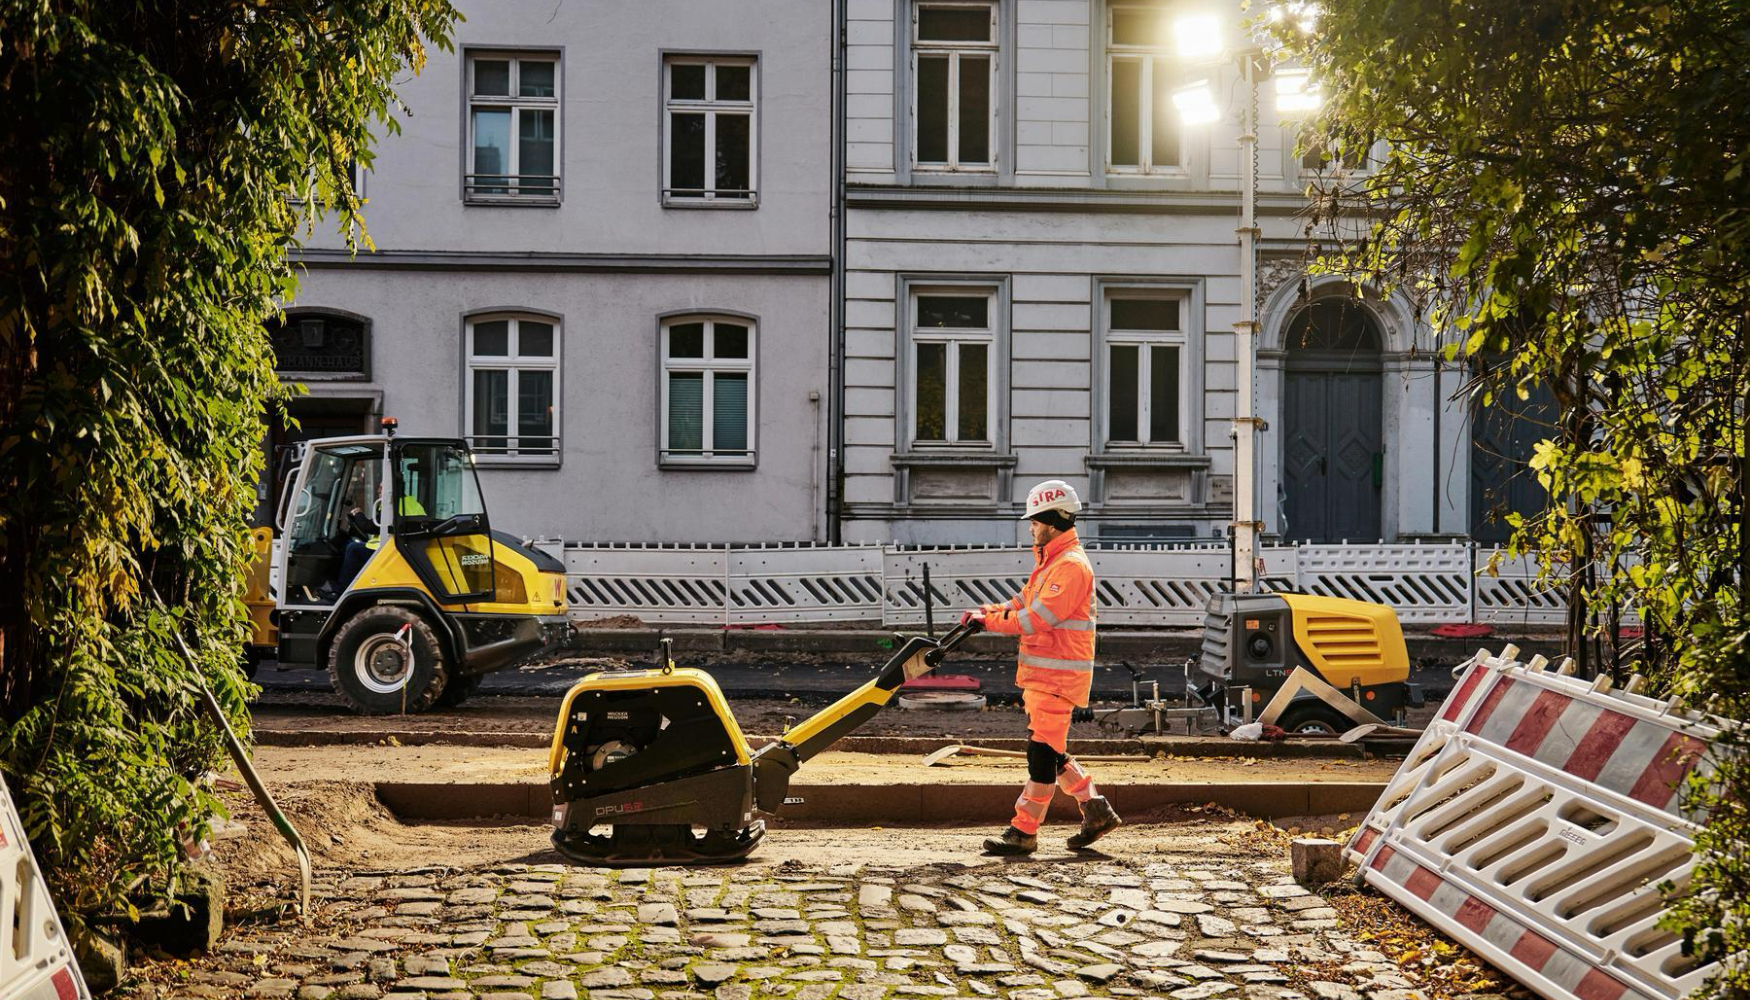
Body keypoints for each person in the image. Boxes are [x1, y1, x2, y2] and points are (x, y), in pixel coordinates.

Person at [961, 479, 1122, 855]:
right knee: (1050, 752)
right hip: (1046, 676)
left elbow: (1034, 620)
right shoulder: (1050, 564)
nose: (1031, 527)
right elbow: (1020, 603)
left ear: (1052, 520)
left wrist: (988, 622)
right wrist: (987, 611)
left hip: (1058, 676)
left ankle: (1023, 831)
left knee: (1040, 756)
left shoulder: (1069, 568)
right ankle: (1096, 810)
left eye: (1035, 521)